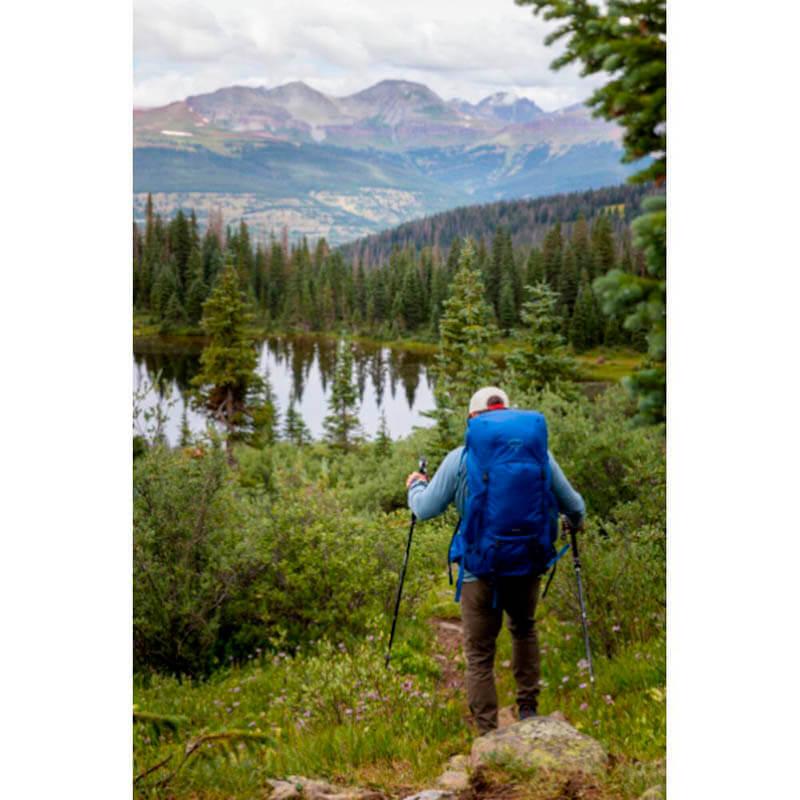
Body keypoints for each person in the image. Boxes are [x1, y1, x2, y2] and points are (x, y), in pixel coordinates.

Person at [405, 386, 585, 735]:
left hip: (479, 570)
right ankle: (529, 713)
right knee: (523, 629)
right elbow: (575, 506)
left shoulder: (460, 458)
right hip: (526, 565)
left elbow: (426, 509)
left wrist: (415, 486)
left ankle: (487, 734)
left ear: (473, 419)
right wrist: (574, 526)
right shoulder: (539, 456)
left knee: (480, 655)